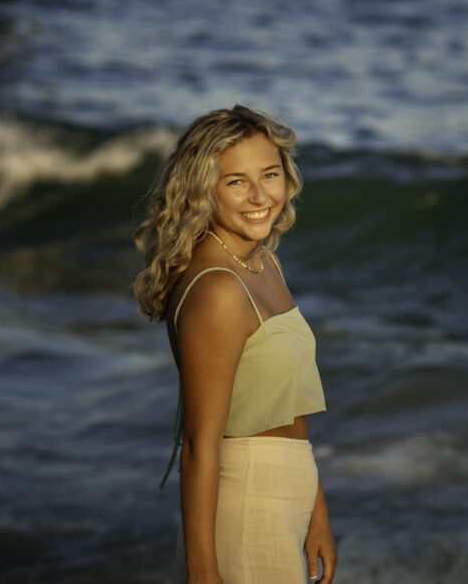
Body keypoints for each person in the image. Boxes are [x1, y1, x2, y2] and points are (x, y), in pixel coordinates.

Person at [133, 106, 338, 583]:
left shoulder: (264, 266)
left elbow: (289, 406)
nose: (260, 195)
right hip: (247, 510)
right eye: (236, 181)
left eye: (270, 174)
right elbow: (199, 445)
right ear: (204, 191)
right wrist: (204, 574)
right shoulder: (220, 289)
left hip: (287, 496)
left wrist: (316, 511)